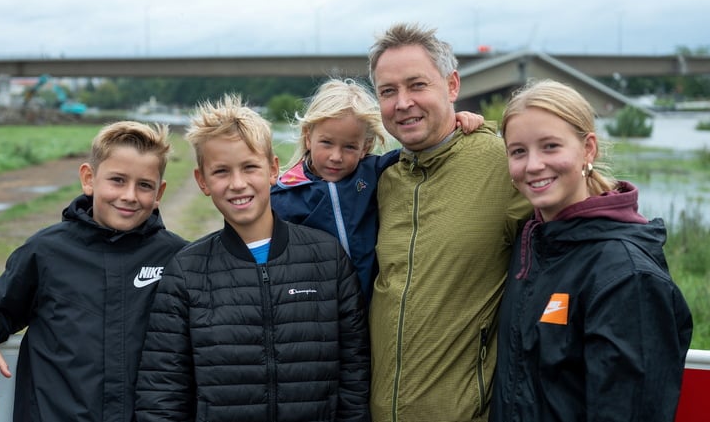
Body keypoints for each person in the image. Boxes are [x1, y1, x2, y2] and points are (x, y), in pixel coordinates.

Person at [135, 94, 370, 422]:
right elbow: (162, 392)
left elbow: (355, 377)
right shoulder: (186, 272)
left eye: (249, 167)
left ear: (273, 169)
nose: (238, 184)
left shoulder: (327, 259)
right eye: (221, 172)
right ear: (202, 181)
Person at [0, 121, 188, 422]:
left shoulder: (177, 257)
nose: (129, 195)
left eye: (144, 185)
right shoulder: (46, 251)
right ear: (89, 179)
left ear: (159, 192)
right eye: (117, 180)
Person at [490, 78, 693, 422]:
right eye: (518, 151)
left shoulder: (625, 274)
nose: (533, 165)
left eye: (551, 146)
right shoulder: (535, 246)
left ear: (588, 149)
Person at [367, 22, 532, 422]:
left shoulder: (503, 165)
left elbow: (584, 213)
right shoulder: (382, 179)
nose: (403, 103)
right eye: (388, 91)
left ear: (452, 85)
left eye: (417, 85)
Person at [271, 78, 484, 302]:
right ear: (308, 137)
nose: (336, 156)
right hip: (318, 314)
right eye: (326, 143)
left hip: (372, 310)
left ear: (366, 147)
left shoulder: (374, 173)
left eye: (350, 147)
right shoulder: (285, 194)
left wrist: (452, 125)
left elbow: (423, 150)